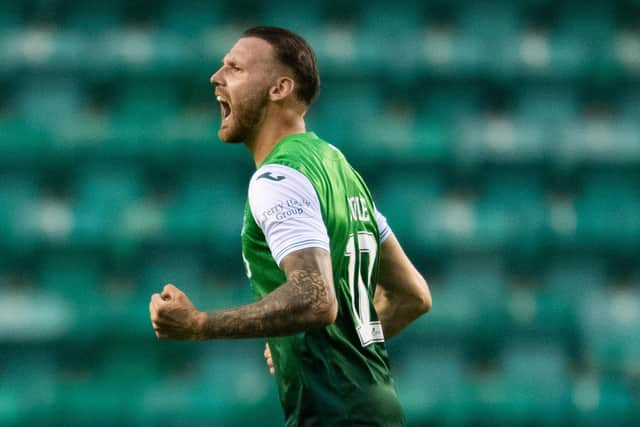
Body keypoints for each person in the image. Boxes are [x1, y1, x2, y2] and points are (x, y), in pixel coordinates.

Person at [149, 26, 431, 426]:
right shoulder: (337, 167)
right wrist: (317, 348)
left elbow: (315, 298)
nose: (216, 76)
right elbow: (412, 295)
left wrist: (198, 325)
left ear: (279, 88)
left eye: (235, 67)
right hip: (378, 410)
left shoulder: (278, 178)